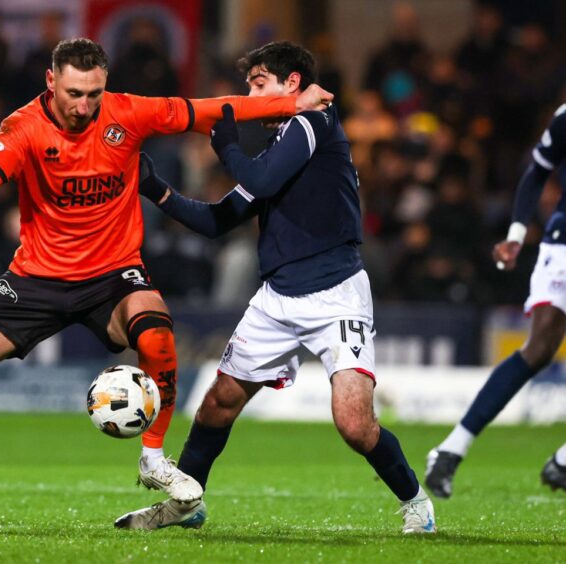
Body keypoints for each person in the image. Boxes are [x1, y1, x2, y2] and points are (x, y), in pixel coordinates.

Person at [0, 38, 333, 529]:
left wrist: (293, 103)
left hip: (113, 275)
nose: (84, 106)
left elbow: (209, 108)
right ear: (51, 82)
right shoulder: (22, 126)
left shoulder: (128, 113)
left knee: (157, 333)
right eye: (75, 93)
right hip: (35, 277)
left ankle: (152, 458)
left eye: (94, 94)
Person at [114, 41, 436, 534]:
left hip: (336, 292)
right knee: (218, 402)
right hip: (277, 299)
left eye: (258, 84)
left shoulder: (313, 124)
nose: (251, 95)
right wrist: (157, 189)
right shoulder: (279, 146)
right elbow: (219, 219)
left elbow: (261, 182)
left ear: (292, 86)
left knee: (354, 423)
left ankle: (416, 501)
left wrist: (225, 147)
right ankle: (187, 503)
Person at [425, 102, 566, 498]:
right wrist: (517, 234)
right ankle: (452, 449)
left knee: (538, 350)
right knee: (538, 349)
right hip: (562, 244)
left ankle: (453, 449)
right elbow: (538, 171)